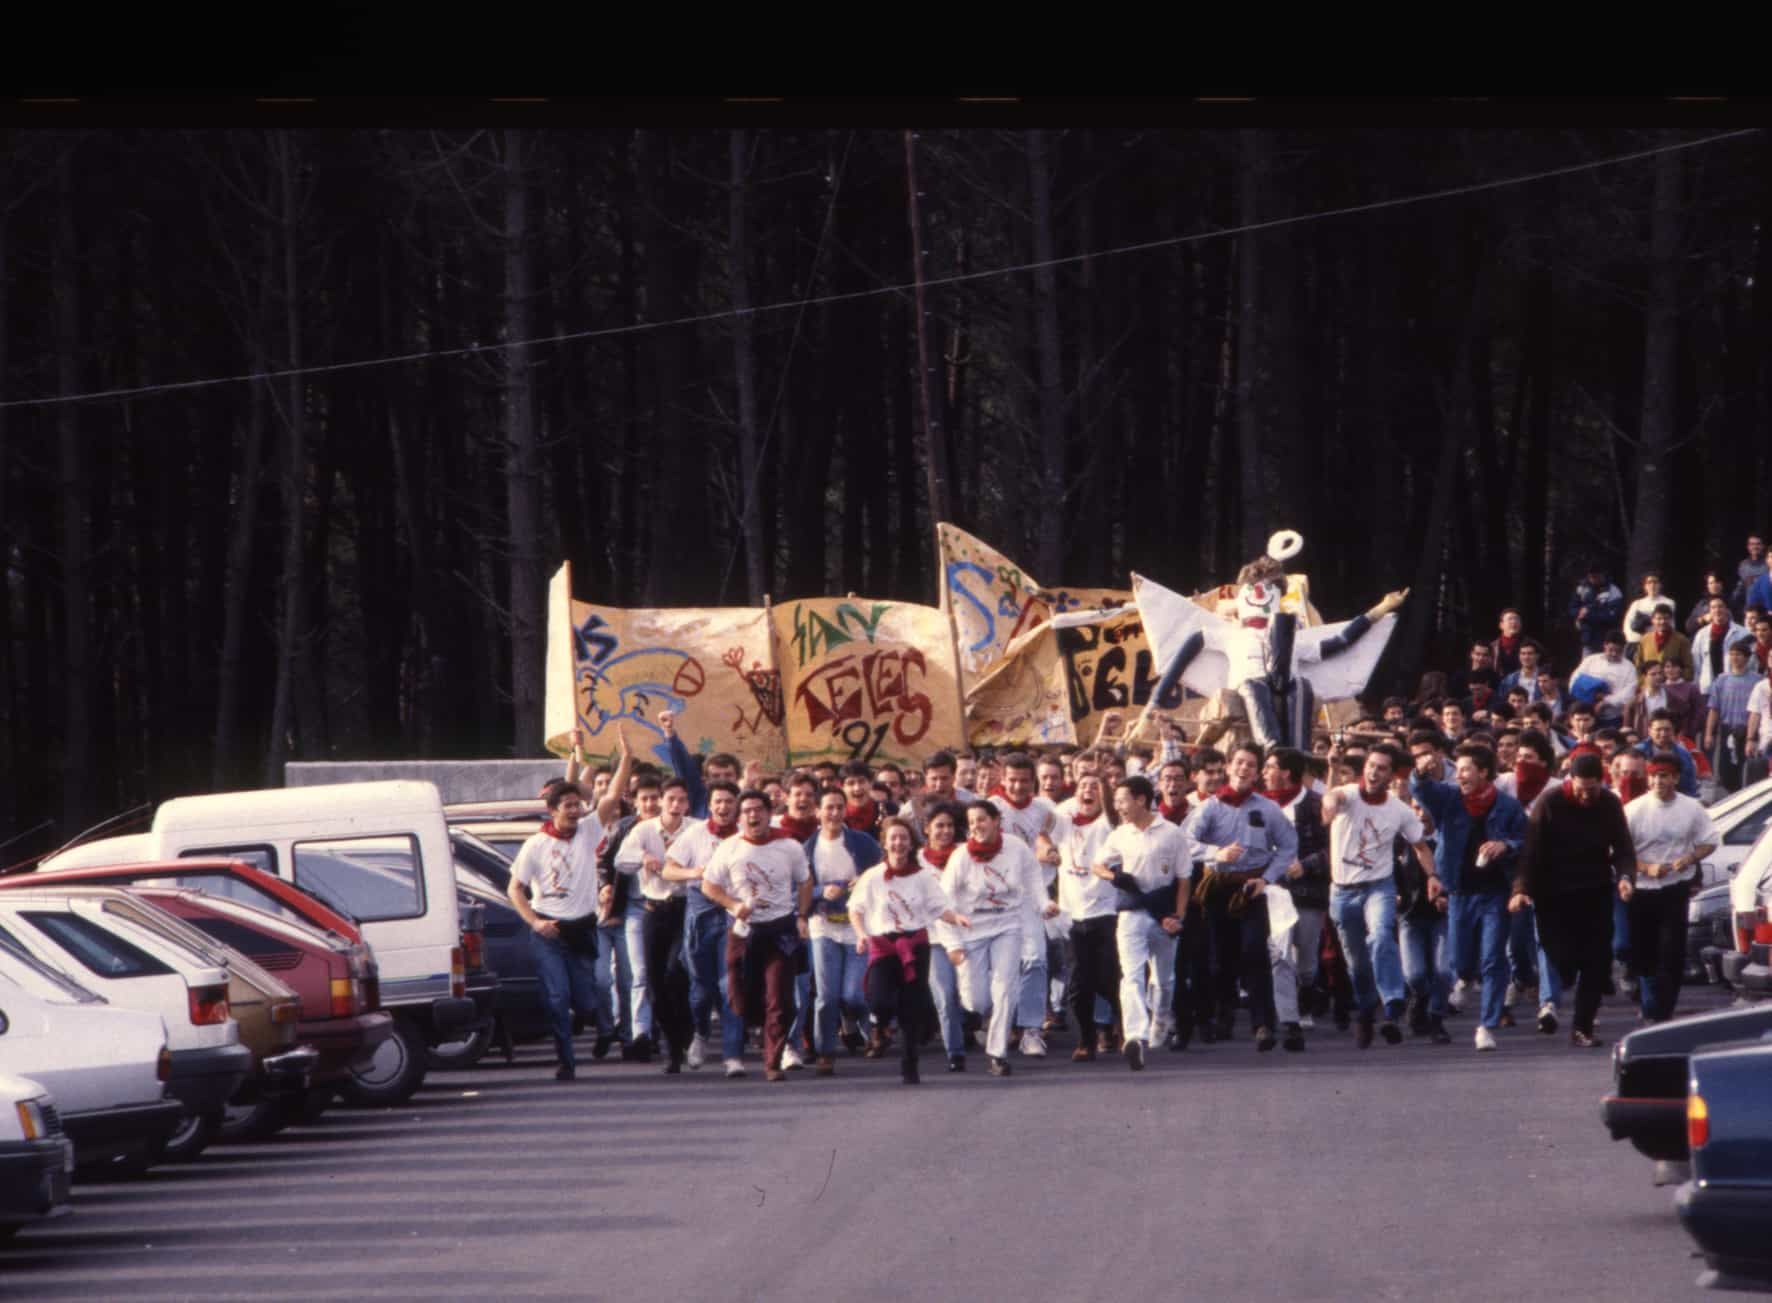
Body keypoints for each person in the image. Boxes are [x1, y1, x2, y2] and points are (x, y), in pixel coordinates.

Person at [507, 729, 634, 1081]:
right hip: (549, 930)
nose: (577, 810)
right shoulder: (535, 845)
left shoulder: (590, 831)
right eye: (569, 806)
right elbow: (515, 889)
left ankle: (585, 1017)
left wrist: (626, 758)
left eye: (579, 805)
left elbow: (610, 796)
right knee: (556, 997)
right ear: (553, 811)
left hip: (582, 928)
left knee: (589, 1000)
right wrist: (534, 922)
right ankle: (566, 1061)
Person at [1513, 752, 1636, 1048]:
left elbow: (1623, 848)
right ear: (1570, 782)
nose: (1585, 795)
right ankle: (1564, 975)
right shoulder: (1550, 802)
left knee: (1596, 962)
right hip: (1553, 893)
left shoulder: (1609, 803)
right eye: (1580, 789)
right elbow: (1530, 852)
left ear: (1601, 783)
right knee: (1563, 959)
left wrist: (1625, 877)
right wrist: (1521, 889)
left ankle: (1582, 1028)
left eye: (1591, 789)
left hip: (1594, 890)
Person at [1410, 742, 1527, 1052]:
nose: (1459, 775)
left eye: (1465, 769)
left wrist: (1506, 846)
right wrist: (1420, 773)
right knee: (1460, 962)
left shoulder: (1507, 806)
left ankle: (1487, 1025)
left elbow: (1525, 840)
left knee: (1492, 959)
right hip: (1459, 891)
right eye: (1458, 770)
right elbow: (1421, 791)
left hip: (1494, 892)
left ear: (1484, 772)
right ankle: (1464, 979)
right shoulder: (1449, 798)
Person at [1321, 743, 1437, 1049]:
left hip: (1378, 886)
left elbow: (1421, 847)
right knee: (1357, 962)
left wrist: (1433, 877)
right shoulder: (1348, 794)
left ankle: (1394, 1003)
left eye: (1382, 768)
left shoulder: (1398, 809)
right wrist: (1332, 781)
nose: (1374, 772)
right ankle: (1365, 1010)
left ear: (1390, 775)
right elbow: (1331, 799)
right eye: (1371, 765)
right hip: (1342, 891)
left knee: (1382, 936)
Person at [1185, 740, 1299, 1052]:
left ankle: (1262, 1023)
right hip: (1217, 887)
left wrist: (1267, 878)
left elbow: (1288, 845)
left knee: (1254, 952)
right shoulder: (1210, 807)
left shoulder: (1267, 808)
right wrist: (1215, 852)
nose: (1243, 768)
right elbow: (1185, 840)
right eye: (1239, 762)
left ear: (1258, 771)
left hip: (1251, 887)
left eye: (1250, 764)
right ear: (1228, 766)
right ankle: (1224, 1014)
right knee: (1220, 956)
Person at [700, 790, 813, 1083]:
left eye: (759, 810)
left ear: (768, 812)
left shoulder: (789, 845)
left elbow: (804, 880)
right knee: (738, 996)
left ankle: (772, 1061)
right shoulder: (729, 848)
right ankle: (753, 1025)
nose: (754, 816)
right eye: (747, 810)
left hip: (780, 929)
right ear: (740, 817)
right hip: (743, 930)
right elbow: (709, 886)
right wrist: (734, 905)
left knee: (779, 997)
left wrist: (801, 915)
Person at [849, 817, 971, 1085]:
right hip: (883, 944)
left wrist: (956, 918)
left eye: (903, 838)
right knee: (880, 1001)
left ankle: (910, 1064)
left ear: (911, 842)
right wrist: (860, 935)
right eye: (893, 838)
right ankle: (879, 1022)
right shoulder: (872, 876)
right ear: (885, 842)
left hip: (914, 944)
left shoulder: (922, 877)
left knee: (910, 1009)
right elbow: (855, 909)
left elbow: (940, 907)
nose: (898, 843)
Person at [944, 801, 1050, 1076]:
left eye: (982, 819)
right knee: (976, 1002)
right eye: (972, 821)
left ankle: (997, 1053)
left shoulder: (1016, 848)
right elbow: (943, 902)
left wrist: (1044, 903)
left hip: (1007, 923)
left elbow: (1033, 877)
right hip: (972, 927)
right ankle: (983, 1017)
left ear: (996, 821)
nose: (977, 826)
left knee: (1005, 988)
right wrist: (953, 942)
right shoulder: (961, 857)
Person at [1093, 775, 1190, 1070]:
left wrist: (1179, 916)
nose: (1119, 806)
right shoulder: (1120, 835)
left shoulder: (1172, 833)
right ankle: (1134, 1035)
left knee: (1163, 979)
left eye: (1123, 800)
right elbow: (1097, 865)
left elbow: (1184, 878)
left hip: (1162, 910)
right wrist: (1114, 876)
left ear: (1141, 800)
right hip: (1131, 911)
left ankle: (1160, 1017)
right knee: (1131, 974)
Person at [615, 774, 702, 1074]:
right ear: (661, 802)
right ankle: (673, 1044)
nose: (676, 805)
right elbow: (620, 861)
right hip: (654, 908)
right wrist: (643, 856)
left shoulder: (696, 829)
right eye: (671, 800)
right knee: (654, 982)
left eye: (682, 800)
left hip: (686, 908)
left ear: (688, 803)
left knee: (675, 972)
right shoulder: (643, 830)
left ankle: (688, 1034)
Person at [1623, 757, 1717, 1023]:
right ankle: (1648, 1000)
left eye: (1664, 776)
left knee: (1671, 950)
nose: (1658, 782)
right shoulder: (1634, 810)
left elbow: (1710, 841)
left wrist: (1688, 858)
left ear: (1675, 778)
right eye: (1654, 776)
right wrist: (1645, 868)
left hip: (1675, 888)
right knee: (1643, 950)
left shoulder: (1691, 808)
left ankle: (1663, 1011)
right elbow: (1619, 852)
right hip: (1642, 889)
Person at [802, 787, 881, 1075]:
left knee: (854, 995)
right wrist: (823, 891)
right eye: (828, 808)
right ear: (817, 812)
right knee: (826, 995)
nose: (834, 813)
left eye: (839, 807)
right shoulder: (808, 848)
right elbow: (800, 888)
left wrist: (863, 881)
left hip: (857, 926)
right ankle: (825, 1053)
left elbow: (884, 874)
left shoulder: (862, 843)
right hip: (822, 926)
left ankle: (864, 1022)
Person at [667, 781, 742, 1075]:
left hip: (731, 912)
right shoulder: (694, 834)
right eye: (718, 802)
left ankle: (732, 1055)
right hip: (699, 913)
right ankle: (700, 1033)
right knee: (700, 990)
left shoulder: (744, 836)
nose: (723, 807)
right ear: (709, 805)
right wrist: (694, 872)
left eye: (729, 802)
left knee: (728, 985)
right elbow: (668, 869)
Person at [1260, 748, 1331, 1051]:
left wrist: (1308, 865)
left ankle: (1307, 992)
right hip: (1275, 893)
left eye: (1270, 767)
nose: (1264, 773)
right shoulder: (1260, 806)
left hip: (1308, 894)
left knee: (1306, 963)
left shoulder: (1316, 806)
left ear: (1286, 772)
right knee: (1279, 956)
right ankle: (1288, 1020)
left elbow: (1336, 848)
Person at [991, 752, 1059, 1057]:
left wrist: (1048, 850)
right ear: (1003, 780)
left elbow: (1048, 837)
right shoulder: (991, 808)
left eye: (1024, 781)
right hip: (997, 900)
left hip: (1032, 897)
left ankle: (1031, 1029)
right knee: (1001, 968)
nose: (1018, 787)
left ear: (1034, 782)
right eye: (1012, 780)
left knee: (1035, 959)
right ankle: (1000, 1024)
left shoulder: (1045, 809)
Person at [1053, 773, 1120, 1060]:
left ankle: (1120, 1027)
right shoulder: (1063, 820)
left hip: (1105, 912)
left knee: (1108, 978)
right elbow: (1041, 831)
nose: (1088, 791)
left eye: (1095, 786)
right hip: (1071, 916)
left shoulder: (1109, 824)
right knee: (1079, 983)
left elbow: (1114, 814)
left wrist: (1106, 787)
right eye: (1083, 787)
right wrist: (1044, 846)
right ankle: (1086, 1039)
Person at [916, 802, 972, 1072]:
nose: (945, 831)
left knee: (974, 995)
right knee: (945, 995)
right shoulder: (916, 860)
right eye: (939, 826)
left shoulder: (966, 854)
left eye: (950, 826)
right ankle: (955, 1051)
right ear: (927, 829)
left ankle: (972, 1027)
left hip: (970, 934)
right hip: (934, 939)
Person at [1705, 640, 1760, 793]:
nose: (1735, 658)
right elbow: (1714, 709)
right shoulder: (1722, 680)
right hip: (1727, 729)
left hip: (1747, 730)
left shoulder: (1757, 681)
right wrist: (1709, 733)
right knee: (1725, 769)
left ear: (1747, 658)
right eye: (1732, 654)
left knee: (1747, 769)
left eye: (1739, 655)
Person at [1570, 630, 1638, 728]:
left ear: (1623, 649)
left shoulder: (1629, 668)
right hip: (1586, 717)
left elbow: (1628, 696)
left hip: (1613, 718)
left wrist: (1604, 701)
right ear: (1605, 645)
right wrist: (1591, 695)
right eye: (1611, 650)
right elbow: (1573, 682)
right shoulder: (1591, 660)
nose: (1614, 654)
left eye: (1618, 651)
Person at [1691, 596, 1752, 697]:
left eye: (1720, 606)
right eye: (1713, 607)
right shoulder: (1701, 634)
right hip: (1708, 690)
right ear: (1709, 611)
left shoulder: (1742, 633)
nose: (1717, 610)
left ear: (1727, 609)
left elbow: (1749, 662)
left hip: (1735, 688)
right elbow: (1697, 664)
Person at [1570, 565, 1625, 656]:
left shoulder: (1613, 591)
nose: (1593, 579)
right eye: (1590, 576)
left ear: (1602, 575)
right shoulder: (1581, 588)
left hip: (1606, 638)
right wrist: (1579, 613)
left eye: (1596, 576)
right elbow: (1572, 608)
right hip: (1587, 637)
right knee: (1588, 666)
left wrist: (1588, 614)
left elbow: (1612, 616)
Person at [1631, 607, 1692, 682]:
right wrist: (1643, 682)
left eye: (1666, 618)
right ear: (1652, 620)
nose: (1662, 621)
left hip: (1673, 688)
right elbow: (1638, 665)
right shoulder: (1644, 640)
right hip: (1649, 688)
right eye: (1659, 619)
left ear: (1671, 620)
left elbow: (1688, 667)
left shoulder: (1681, 640)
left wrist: (1678, 682)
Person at [1623, 572, 1677, 647]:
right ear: (1645, 586)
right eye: (1649, 583)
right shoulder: (1637, 604)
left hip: (1660, 643)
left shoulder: (1668, 603)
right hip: (1638, 642)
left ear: (1660, 585)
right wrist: (1635, 640)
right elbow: (1627, 625)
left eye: (1655, 582)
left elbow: (1670, 624)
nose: (1652, 585)